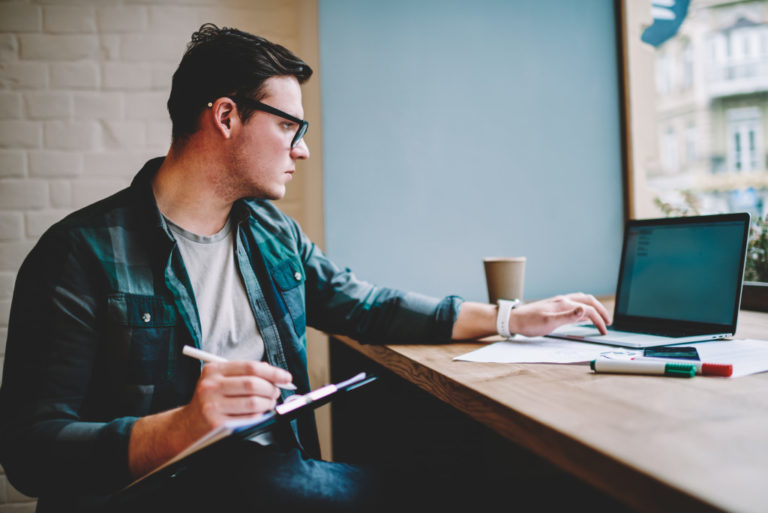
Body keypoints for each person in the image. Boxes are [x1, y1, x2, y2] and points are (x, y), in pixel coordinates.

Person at [0, 24, 611, 512]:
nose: (303, 149)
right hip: (161, 494)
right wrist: (184, 425)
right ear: (225, 117)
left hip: (271, 476)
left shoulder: (273, 234)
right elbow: (30, 453)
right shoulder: (78, 253)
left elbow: (365, 305)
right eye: (290, 125)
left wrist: (513, 317)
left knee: (470, 482)